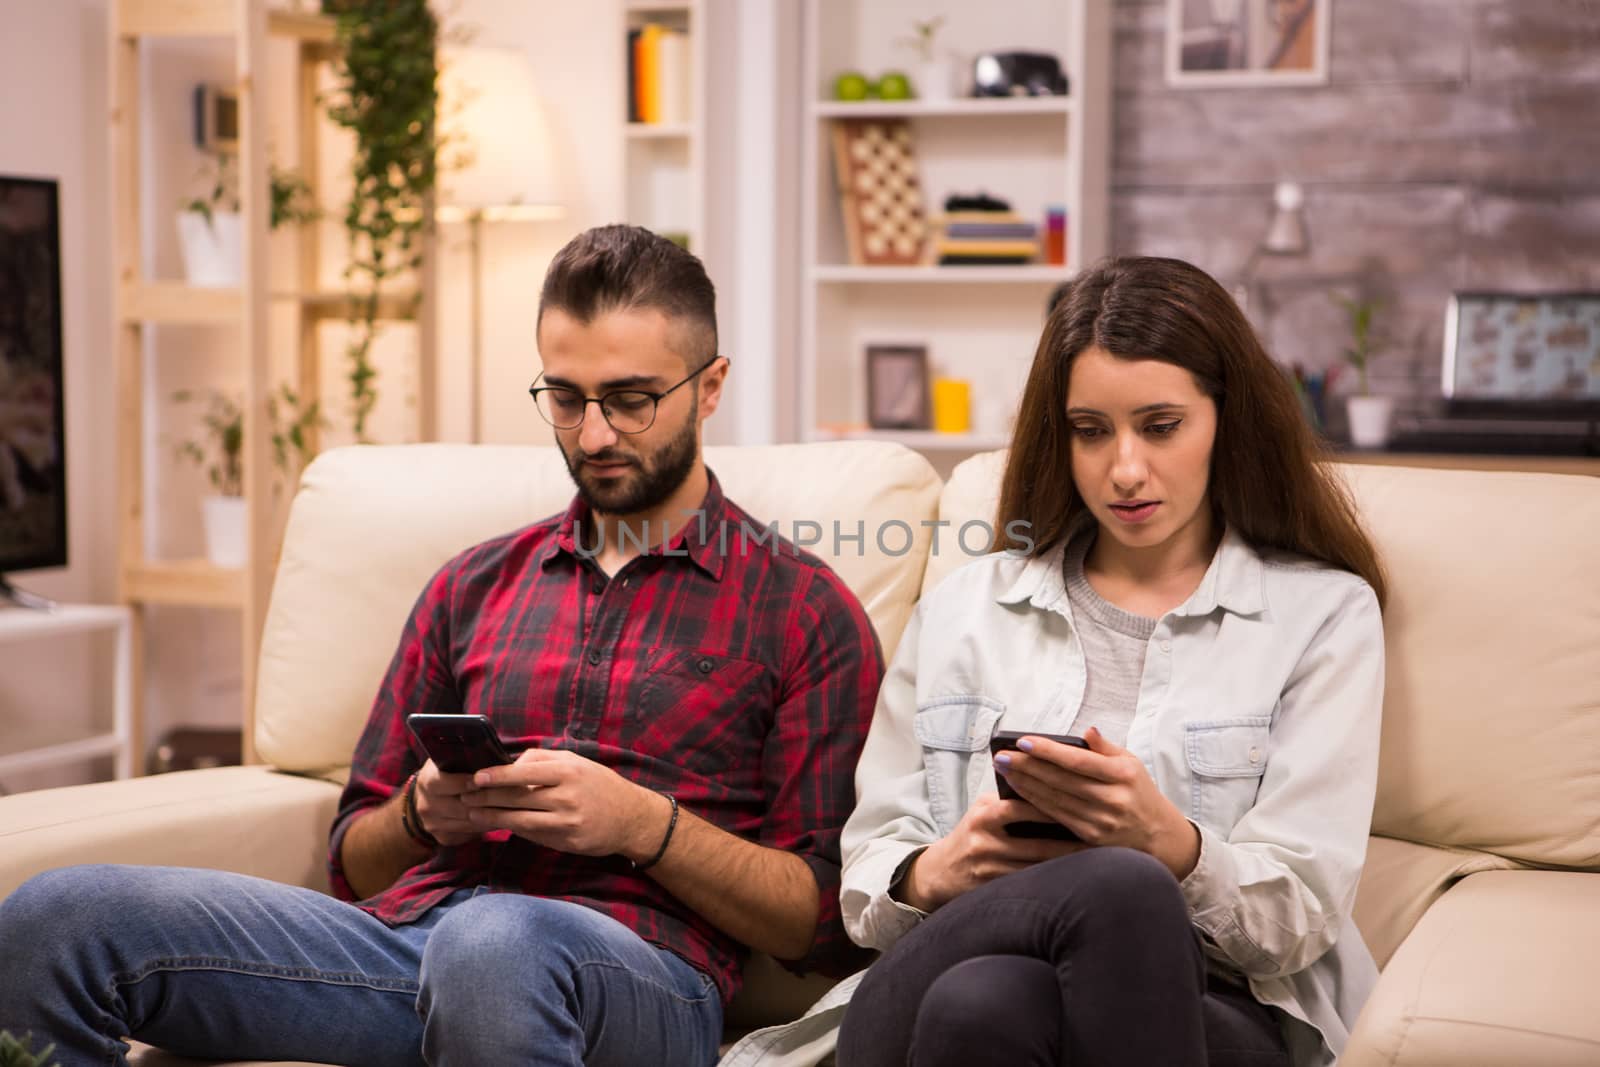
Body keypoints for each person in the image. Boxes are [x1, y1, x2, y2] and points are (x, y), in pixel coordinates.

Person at [0, 225, 882, 1066]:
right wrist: (425, 813)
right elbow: (352, 860)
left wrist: (640, 824)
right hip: (408, 945)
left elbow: (823, 919)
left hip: (645, 975)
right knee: (55, 916)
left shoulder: (803, 610)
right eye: (566, 398)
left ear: (711, 385)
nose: (596, 434)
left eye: (631, 399)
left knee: (493, 943)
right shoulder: (474, 583)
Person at [834, 255, 1388, 1067]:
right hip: (928, 977)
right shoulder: (964, 607)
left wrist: (1172, 844)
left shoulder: (1322, 614)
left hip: (1215, 1008)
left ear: (1225, 420)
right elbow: (867, 873)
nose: (1124, 468)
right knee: (1048, 935)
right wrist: (938, 868)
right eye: (1090, 431)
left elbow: (1302, 911)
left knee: (1000, 992)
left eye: (1160, 426)